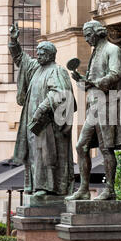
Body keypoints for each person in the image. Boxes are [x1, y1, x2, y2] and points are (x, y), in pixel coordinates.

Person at [9, 23, 75, 201]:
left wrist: (42, 108)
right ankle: (36, 185)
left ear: (49, 54)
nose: (37, 55)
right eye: (37, 53)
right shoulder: (36, 68)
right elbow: (20, 59)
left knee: (45, 155)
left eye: (40, 53)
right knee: (33, 156)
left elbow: (60, 94)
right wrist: (14, 41)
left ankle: (47, 188)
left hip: (47, 124)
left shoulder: (57, 71)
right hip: (33, 124)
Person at [65, 20, 121, 201]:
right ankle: (84, 189)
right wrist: (82, 79)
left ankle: (110, 190)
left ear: (98, 32)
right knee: (81, 146)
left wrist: (102, 81)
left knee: (106, 148)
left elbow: (116, 73)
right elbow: (93, 80)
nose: (86, 39)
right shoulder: (96, 52)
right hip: (93, 106)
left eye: (88, 35)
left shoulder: (112, 49)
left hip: (107, 105)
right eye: (85, 35)